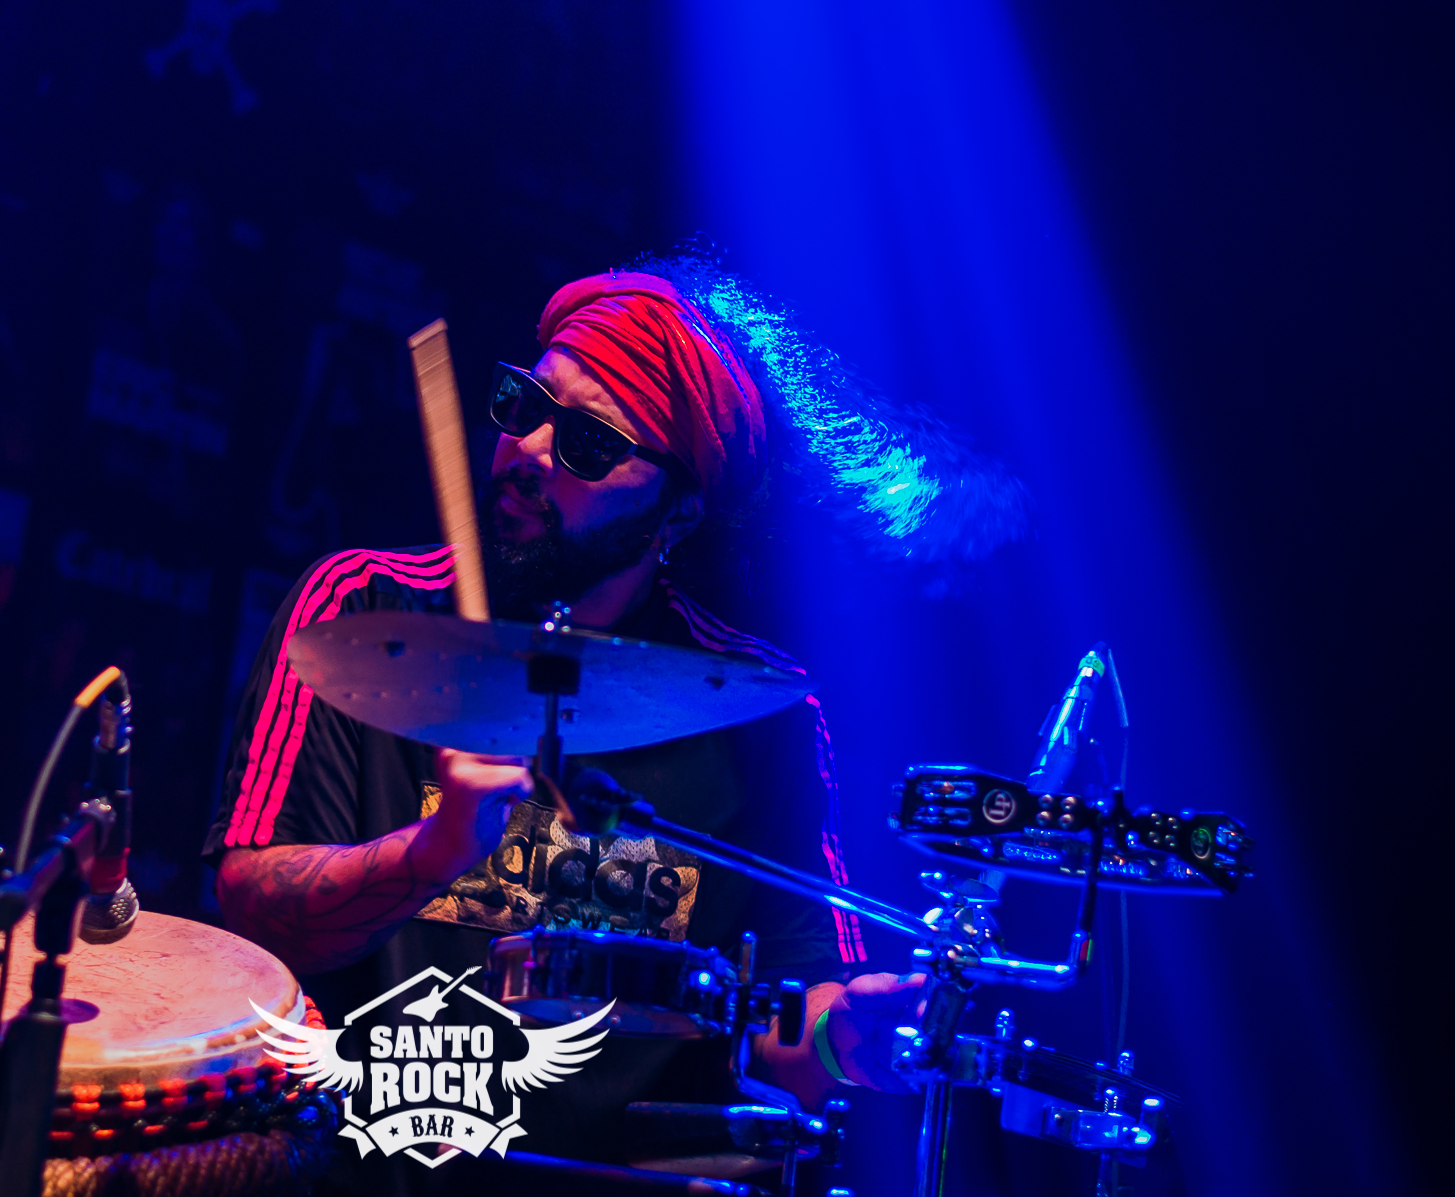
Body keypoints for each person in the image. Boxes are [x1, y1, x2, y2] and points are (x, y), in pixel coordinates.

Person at [204, 270, 926, 1172]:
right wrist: (429, 852)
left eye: (587, 442)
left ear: (676, 511)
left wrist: (838, 1035)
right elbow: (252, 913)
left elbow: (787, 1010)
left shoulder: (762, 711)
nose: (529, 450)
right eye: (523, 404)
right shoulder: (361, 607)